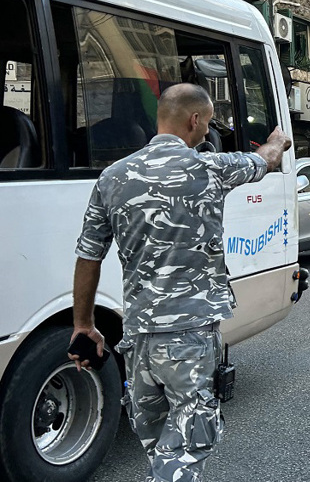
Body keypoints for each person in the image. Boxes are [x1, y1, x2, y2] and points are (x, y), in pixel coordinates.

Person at [69, 83, 291, 482]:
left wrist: (83, 325)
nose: (207, 133)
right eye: (206, 124)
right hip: (189, 336)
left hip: (137, 339)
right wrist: (277, 139)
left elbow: (89, 255)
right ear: (194, 120)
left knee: (158, 444)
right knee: (187, 447)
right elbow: (266, 160)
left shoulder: (111, 178)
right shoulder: (210, 168)